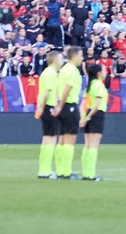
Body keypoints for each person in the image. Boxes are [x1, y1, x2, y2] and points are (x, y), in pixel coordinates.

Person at [54, 47, 84, 179]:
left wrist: (58, 104)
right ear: (75, 56)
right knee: (69, 140)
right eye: (81, 55)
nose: (82, 58)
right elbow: (67, 89)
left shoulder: (64, 69)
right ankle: (66, 171)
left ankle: (60, 170)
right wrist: (60, 106)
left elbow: (58, 88)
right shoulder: (73, 70)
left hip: (62, 104)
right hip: (69, 105)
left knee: (61, 139)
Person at [34, 50, 63, 179]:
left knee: (46, 138)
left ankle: (43, 169)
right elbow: (46, 93)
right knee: (51, 139)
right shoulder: (51, 74)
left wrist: (40, 108)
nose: (62, 61)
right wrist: (42, 107)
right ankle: (46, 170)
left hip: (45, 107)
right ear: (55, 60)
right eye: (61, 59)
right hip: (49, 107)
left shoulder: (45, 73)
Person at [78, 62, 108, 181]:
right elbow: (96, 105)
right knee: (94, 145)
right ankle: (91, 174)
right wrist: (89, 117)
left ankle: (86, 172)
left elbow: (84, 104)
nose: (106, 72)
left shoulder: (90, 85)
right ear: (99, 73)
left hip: (88, 114)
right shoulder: (99, 85)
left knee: (87, 145)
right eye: (104, 70)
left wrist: (83, 117)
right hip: (96, 115)